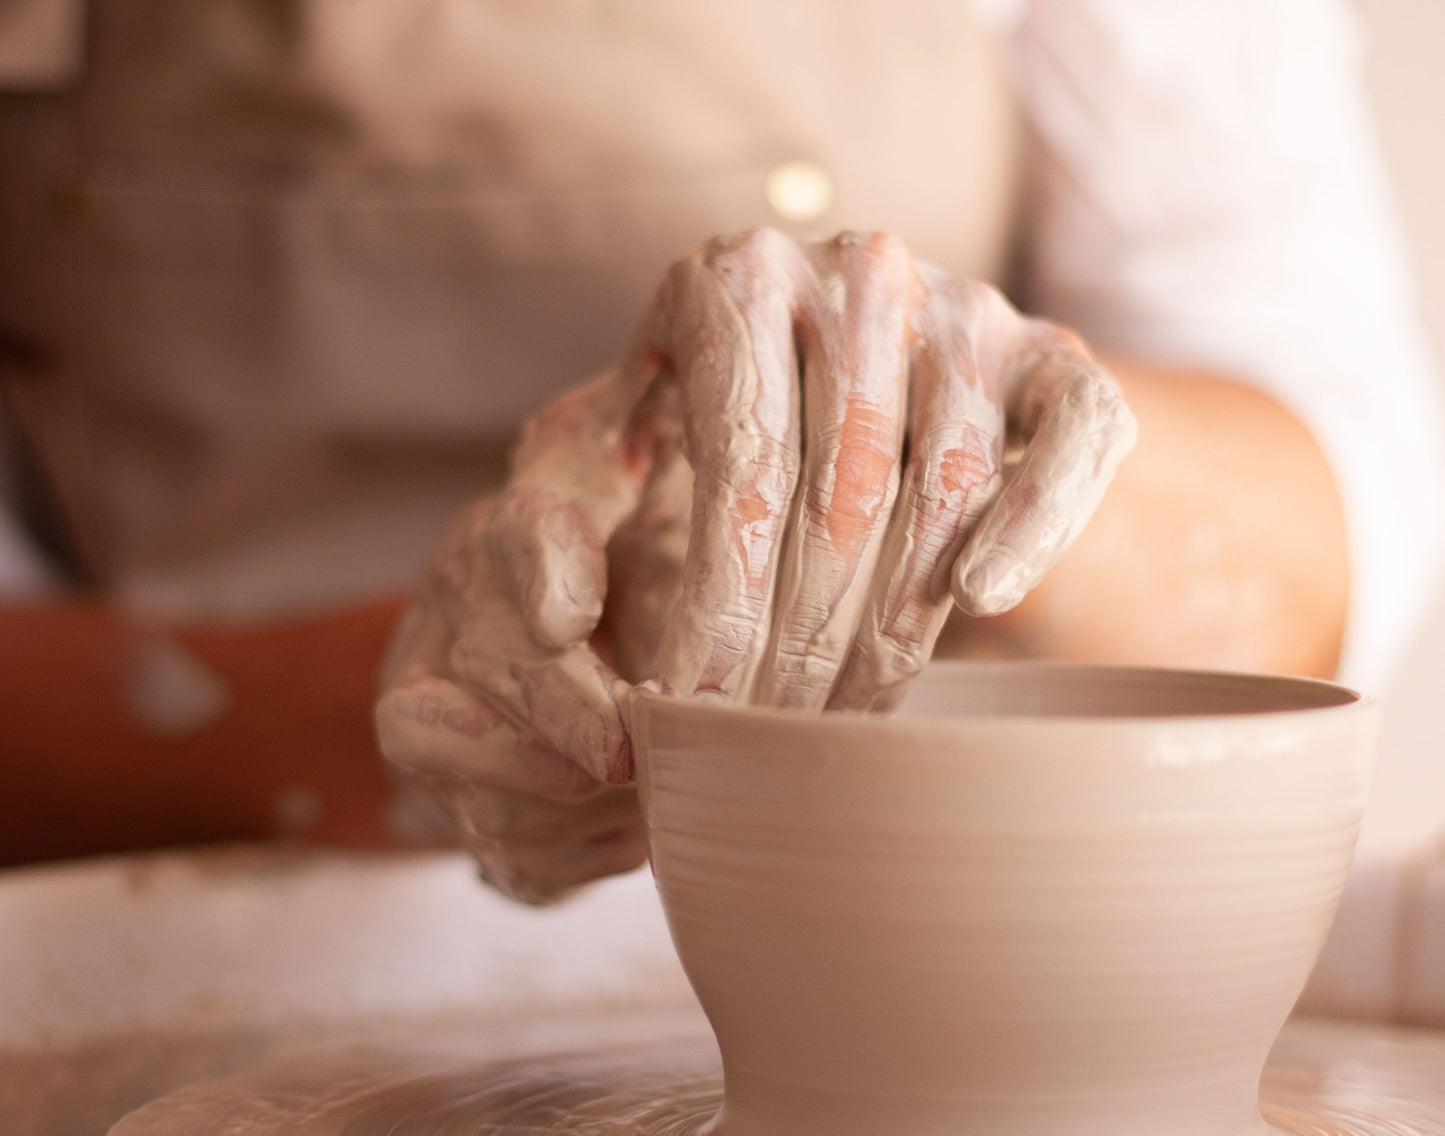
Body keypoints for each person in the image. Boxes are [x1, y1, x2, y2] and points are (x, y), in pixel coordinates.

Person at [0, 1, 1440, 883]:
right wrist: (384, 721)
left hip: (914, 943)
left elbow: (1331, 542)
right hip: (183, 899)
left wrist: (987, 458)